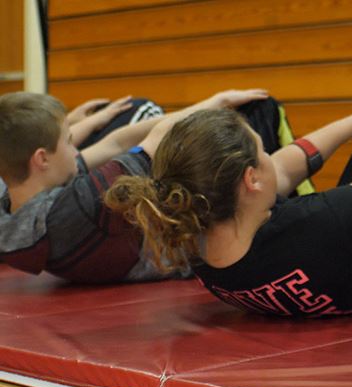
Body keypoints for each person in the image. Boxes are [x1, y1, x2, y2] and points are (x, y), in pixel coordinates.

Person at [105, 86, 352, 316]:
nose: (273, 155)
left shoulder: (193, 238)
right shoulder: (316, 226)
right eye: (262, 150)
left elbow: (283, 171)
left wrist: (351, 124)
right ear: (250, 180)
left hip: (348, 254)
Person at [0, 89, 268, 283]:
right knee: (261, 115)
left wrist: (92, 121)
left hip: (131, 248)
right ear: (42, 159)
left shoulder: (15, 211)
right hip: (196, 250)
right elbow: (160, 137)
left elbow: (112, 144)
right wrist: (216, 102)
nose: (75, 151)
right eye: (69, 142)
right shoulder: (77, 206)